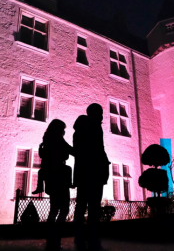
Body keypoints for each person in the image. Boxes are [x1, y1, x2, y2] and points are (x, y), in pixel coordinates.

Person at [73, 104, 110, 251]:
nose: (102, 115)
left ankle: (84, 233)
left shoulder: (91, 127)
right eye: (99, 112)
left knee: (87, 204)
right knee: (88, 204)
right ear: (92, 113)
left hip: (92, 171)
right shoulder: (88, 127)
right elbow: (85, 151)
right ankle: (87, 234)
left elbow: (97, 149)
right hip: (90, 171)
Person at [38, 119, 74, 251]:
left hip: (51, 178)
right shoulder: (57, 139)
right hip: (60, 177)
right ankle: (56, 238)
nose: (64, 131)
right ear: (59, 129)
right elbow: (71, 151)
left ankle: (50, 239)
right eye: (63, 129)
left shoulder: (47, 139)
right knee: (64, 209)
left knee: (54, 209)